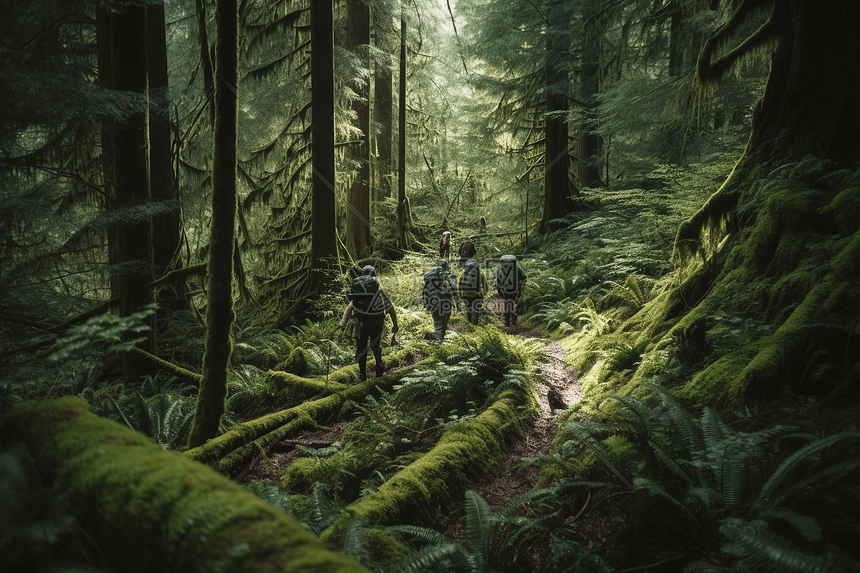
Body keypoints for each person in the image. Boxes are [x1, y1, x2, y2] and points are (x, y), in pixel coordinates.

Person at [341, 265, 398, 380]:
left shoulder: (358, 291)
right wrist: (395, 324)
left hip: (361, 324)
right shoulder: (379, 290)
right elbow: (390, 309)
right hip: (377, 323)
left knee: (361, 349)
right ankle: (379, 366)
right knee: (375, 346)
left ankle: (362, 375)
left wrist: (342, 324)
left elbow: (349, 308)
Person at [423, 259, 460, 339]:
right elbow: (454, 290)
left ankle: (438, 336)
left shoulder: (430, 275)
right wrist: (458, 304)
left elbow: (425, 290)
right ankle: (440, 337)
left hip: (432, 302)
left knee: (437, 321)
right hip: (445, 302)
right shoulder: (447, 276)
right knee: (444, 321)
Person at [496, 255, 527, 328]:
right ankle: (514, 322)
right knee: (514, 303)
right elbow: (524, 277)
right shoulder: (516, 269)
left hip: (505, 289)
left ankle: (507, 322)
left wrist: (499, 290)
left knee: (507, 303)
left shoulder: (500, 270)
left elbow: (498, 281)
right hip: (514, 289)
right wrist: (521, 288)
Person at [457, 258, 488, 325]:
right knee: (475, 311)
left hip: (466, 295)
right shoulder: (480, 273)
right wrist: (484, 294)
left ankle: (469, 325)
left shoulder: (462, 273)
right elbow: (485, 285)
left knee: (469, 310)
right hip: (477, 295)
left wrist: (459, 294)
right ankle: (474, 325)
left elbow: (458, 284)